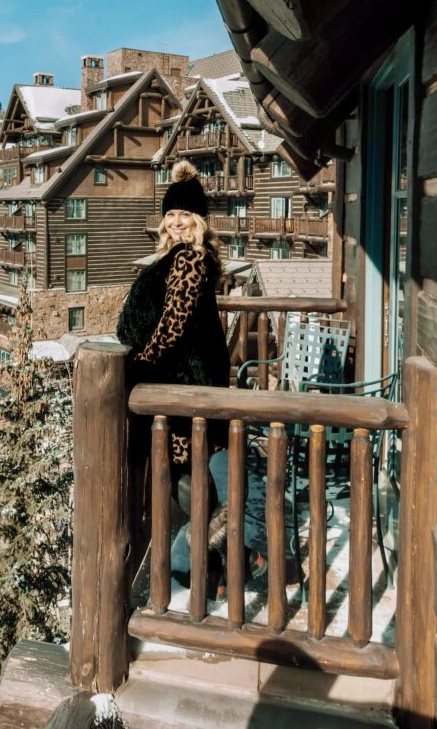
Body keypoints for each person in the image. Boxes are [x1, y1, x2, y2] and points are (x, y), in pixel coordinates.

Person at [117, 161, 266, 584]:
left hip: (183, 382)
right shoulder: (182, 259)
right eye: (170, 215)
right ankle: (226, 558)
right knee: (188, 475)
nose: (177, 222)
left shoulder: (190, 261)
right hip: (187, 378)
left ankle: (223, 557)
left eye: (185, 215)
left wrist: (140, 365)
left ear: (197, 220)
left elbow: (172, 326)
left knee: (186, 475)